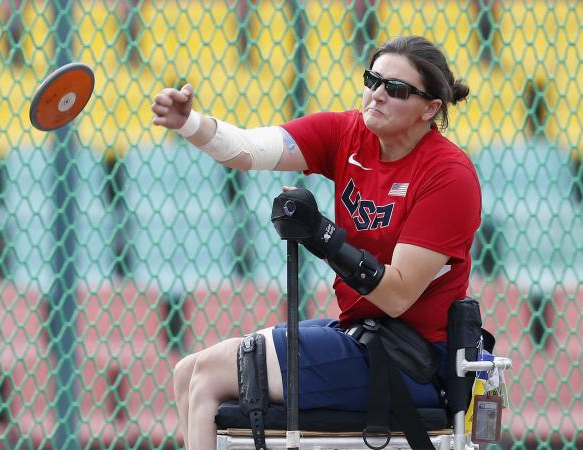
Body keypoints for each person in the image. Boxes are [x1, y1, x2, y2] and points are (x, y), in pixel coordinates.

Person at [151, 35, 479, 450]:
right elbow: (248, 150)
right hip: (364, 334)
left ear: (430, 108)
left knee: (209, 375)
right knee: (186, 371)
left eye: (395, 90)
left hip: (414, 359)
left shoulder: (448, 176)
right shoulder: (347, 132)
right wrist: (190, 124)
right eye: (372, 79)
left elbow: (397, 295)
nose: (376, 95)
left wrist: (323, 236)